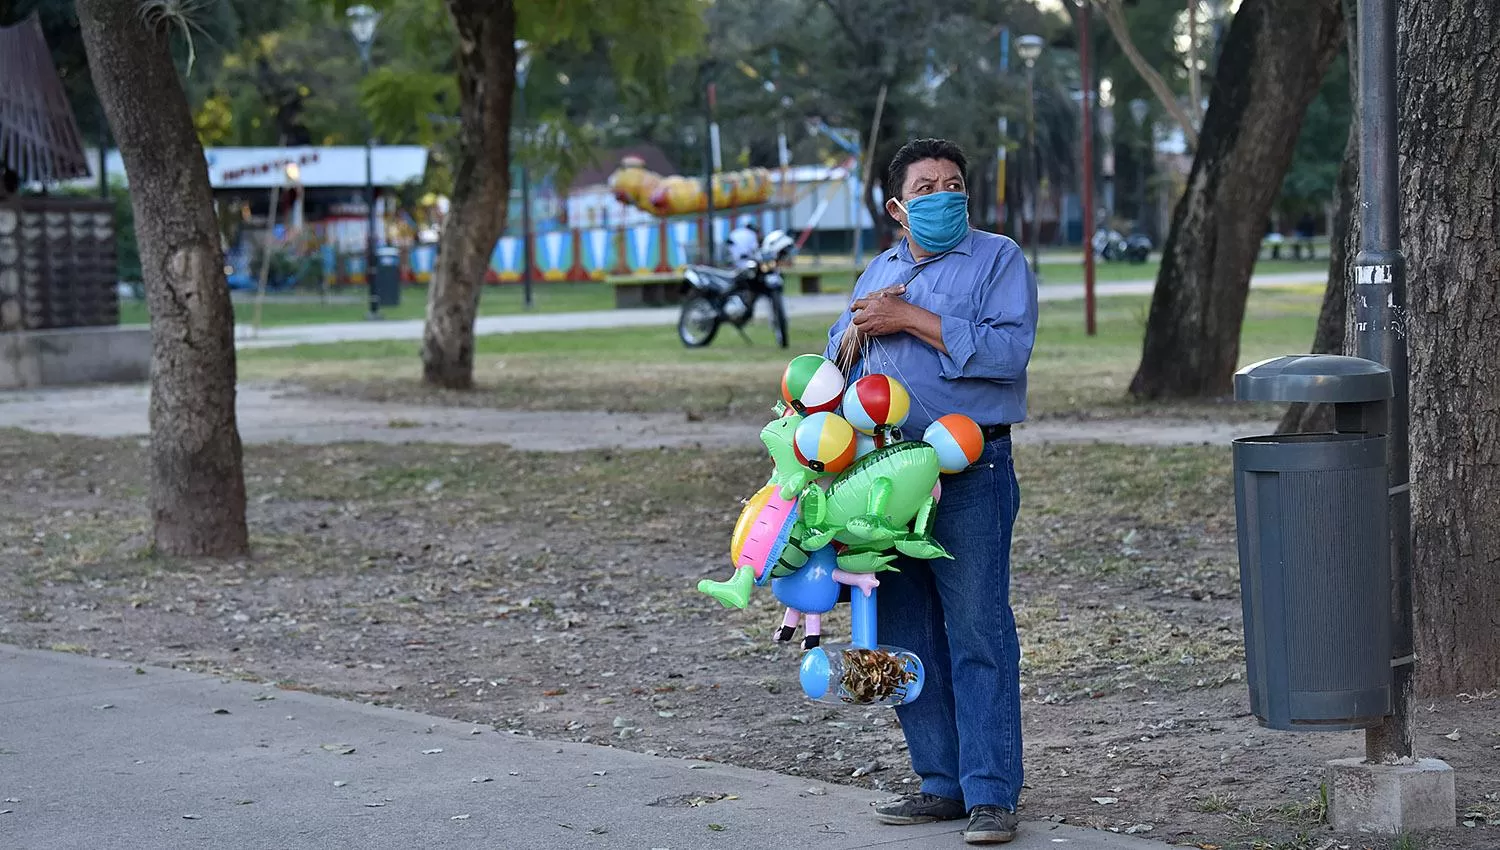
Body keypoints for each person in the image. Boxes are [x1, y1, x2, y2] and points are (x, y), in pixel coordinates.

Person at [820, 138, 1037, 846]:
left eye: (952, 185)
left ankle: (991, 795)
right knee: (902, 634)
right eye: (925, 188)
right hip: (882, 486)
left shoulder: (998, 258)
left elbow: (1008, 353)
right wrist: (851, 335)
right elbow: (832, 362)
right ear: (896, 207)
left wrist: (910, 318)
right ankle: (938, 782)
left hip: (968, 477)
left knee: (978, 631)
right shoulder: (879, 270)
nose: (941, 195)